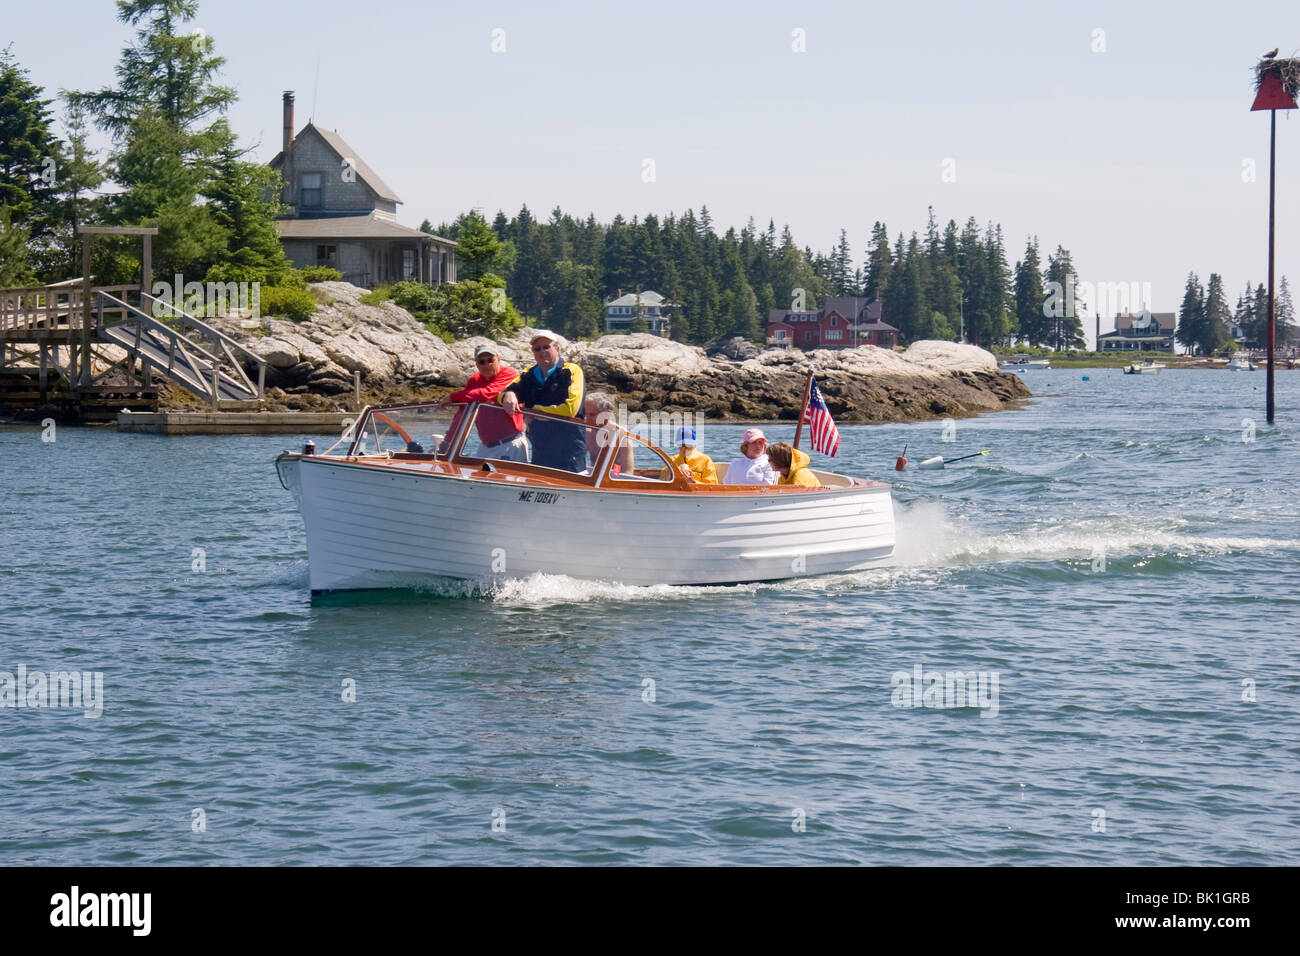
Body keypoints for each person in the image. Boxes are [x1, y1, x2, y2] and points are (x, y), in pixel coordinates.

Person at [500, 330, 587, 472]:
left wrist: (535, 411)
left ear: (557, 349)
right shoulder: (529, 374)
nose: (542, 351)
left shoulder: (571, 371)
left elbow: (571, 409)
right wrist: (509, 394)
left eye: (546, 347)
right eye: (537, 348)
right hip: (540, 449)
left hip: (569, 450)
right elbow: (500, 395)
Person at [435, 344, 529, 461]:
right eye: (482, 362)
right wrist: (447, 441)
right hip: (485, 446)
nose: (486, 365)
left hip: (510, 443)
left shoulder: (509, 374)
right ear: (476, 364)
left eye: (490, 360)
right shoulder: (474, 379)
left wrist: (452, 397)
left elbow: (487, 393)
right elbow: (464, 411)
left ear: (498, 359)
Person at [584, 390, 634, 476]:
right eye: (585, 414)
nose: (587, 419)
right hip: (592, 480)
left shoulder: (621, 435)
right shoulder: (587, 432)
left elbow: (628, 472)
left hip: (614, 479)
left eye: (592, 415)